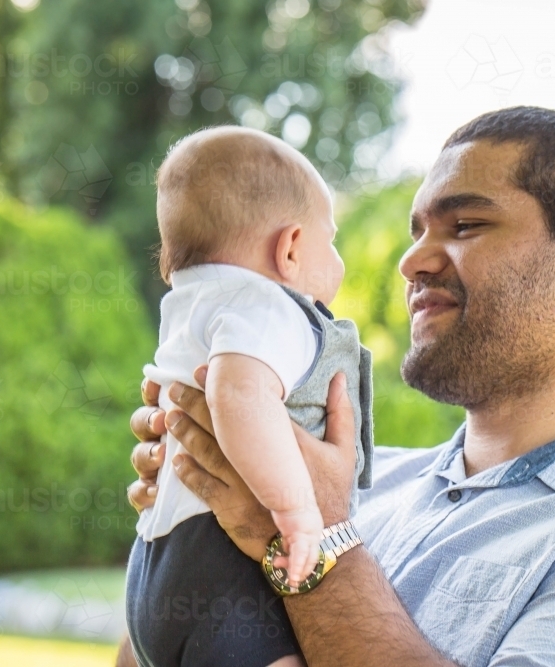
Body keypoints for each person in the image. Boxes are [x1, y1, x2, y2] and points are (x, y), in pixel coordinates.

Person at [124, 106, 555, 666]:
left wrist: (314, 540)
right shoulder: (360, 486)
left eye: (465, 226)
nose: (410, 261)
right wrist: (186, 514)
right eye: (418, 232)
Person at [126, 126, 373, 667]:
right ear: (289, 248)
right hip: (221, 572)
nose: (338, 262)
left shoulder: (189, 302)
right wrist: (300, 511)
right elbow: (238, 394)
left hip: (154, 565)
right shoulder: (268, 304)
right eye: (329, 241)